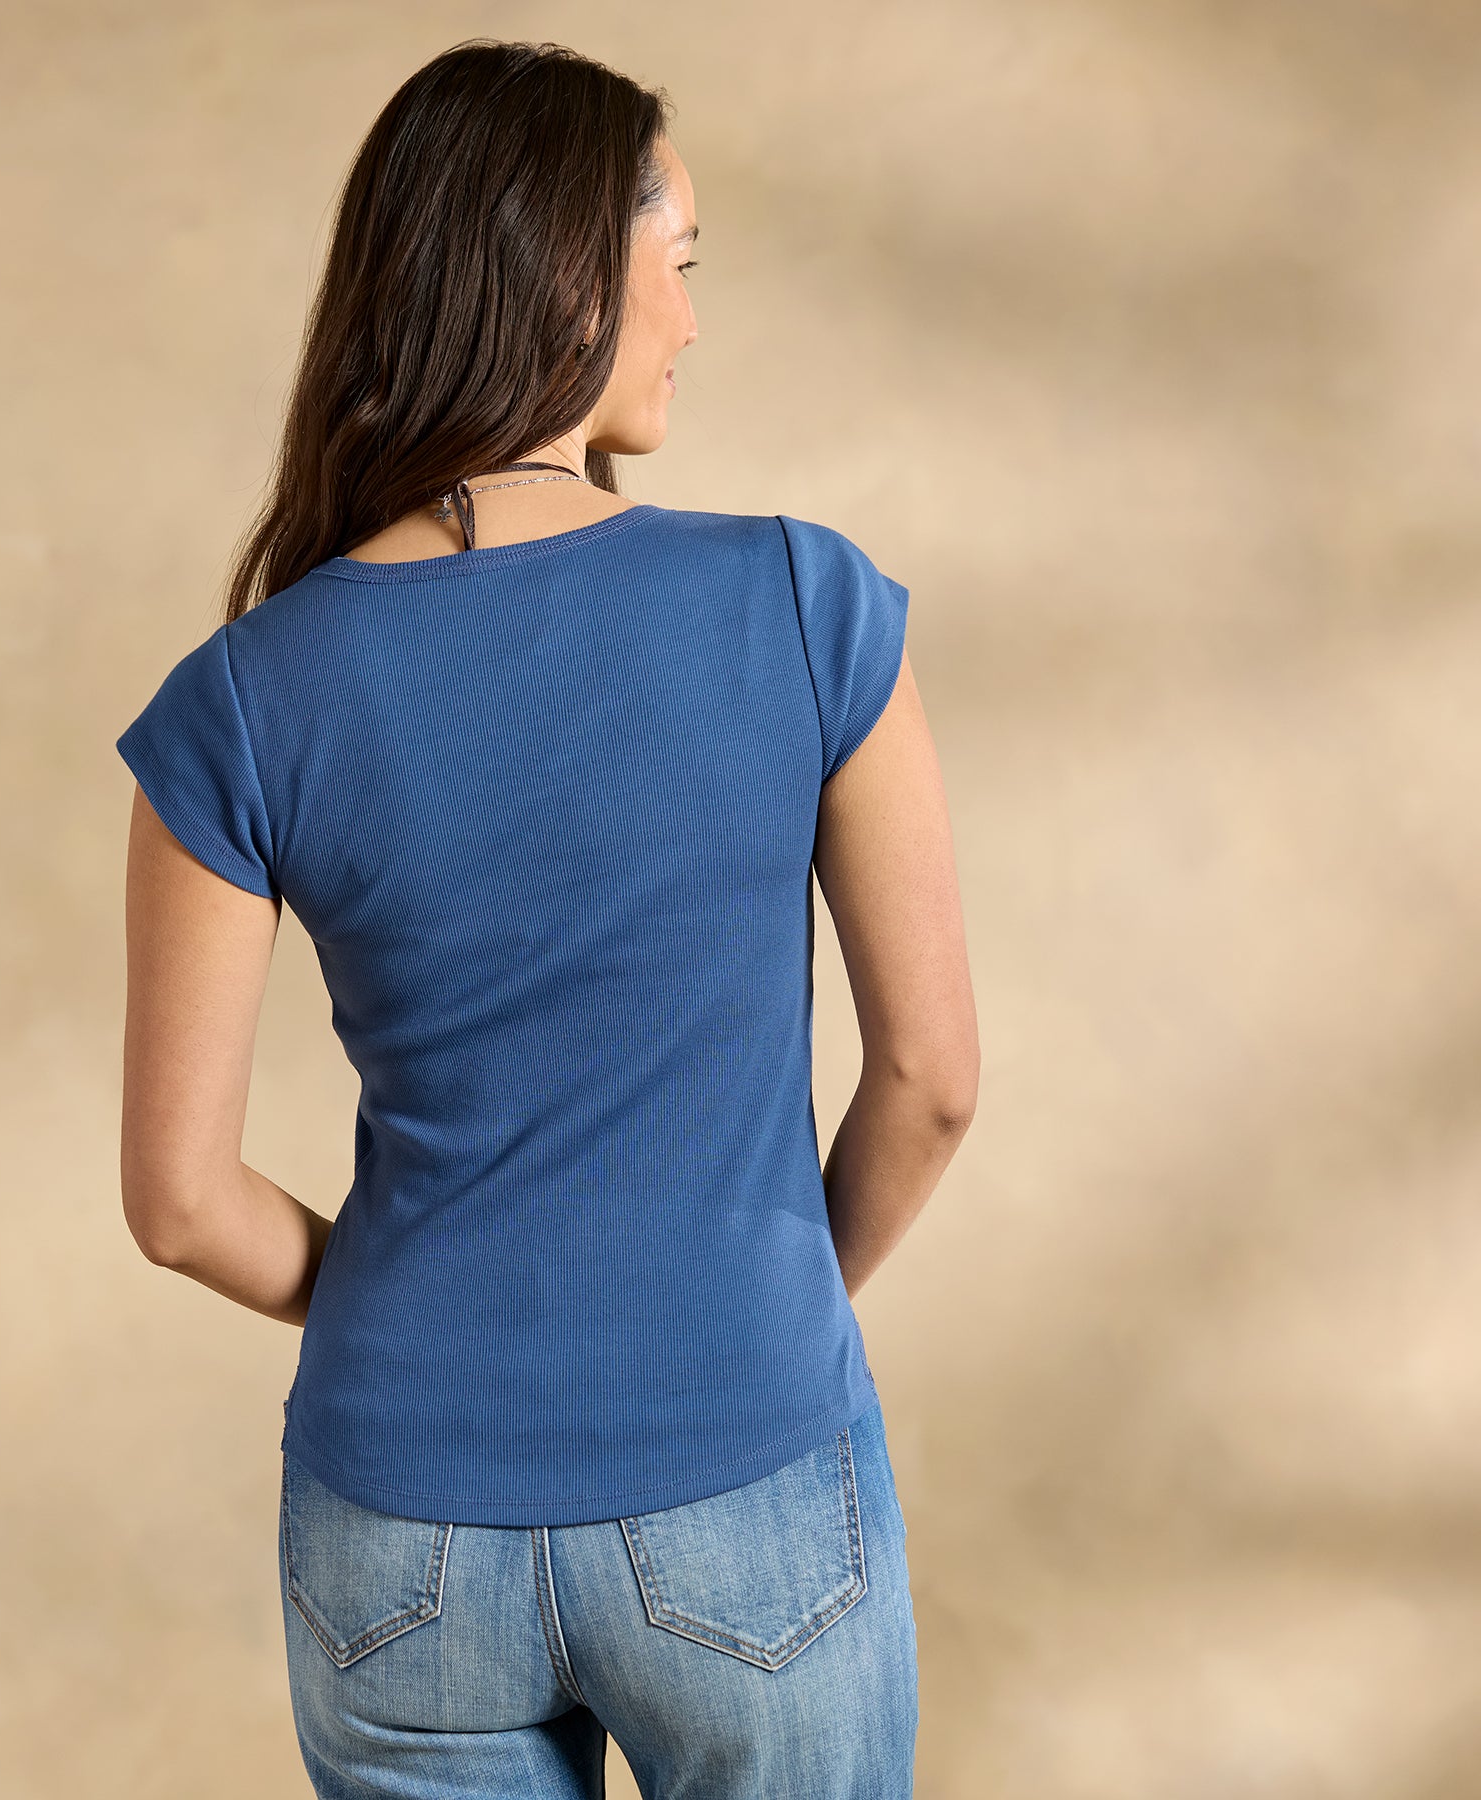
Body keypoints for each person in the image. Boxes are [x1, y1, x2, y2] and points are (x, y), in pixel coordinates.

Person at [115, 37, 978, 1800]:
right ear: (579, 275)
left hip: (397, 1534)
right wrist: (756, 1304)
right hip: (745, 1474)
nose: (692, 321)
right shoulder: (804, 604)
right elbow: (933, 1081)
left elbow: (179, 1202)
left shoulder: (242, 698)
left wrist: (408, 1305)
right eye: (681, 264)